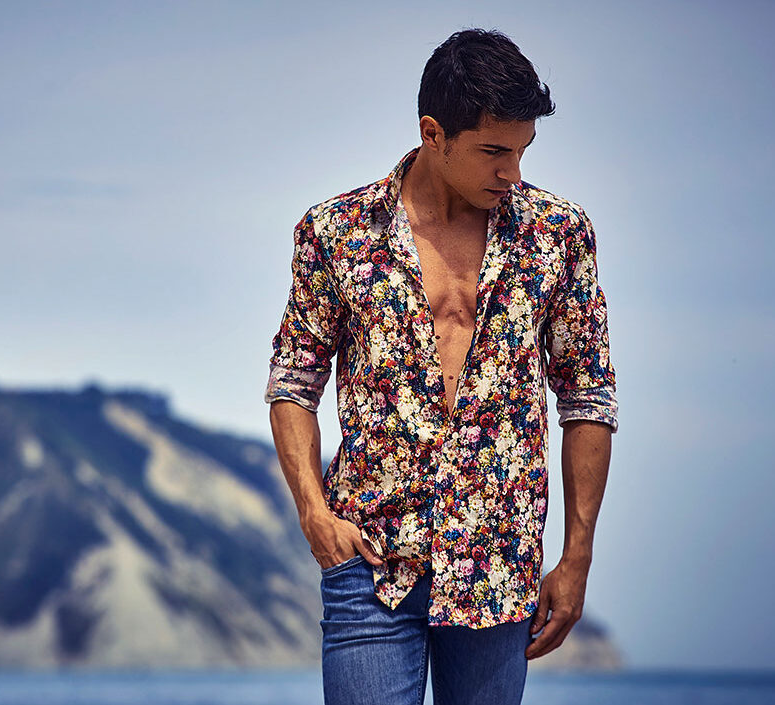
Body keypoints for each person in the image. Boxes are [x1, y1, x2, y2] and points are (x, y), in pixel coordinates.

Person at [263, 28, 618, 705]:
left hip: (498, 564)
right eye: (494, 152)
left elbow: (588, 396)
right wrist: (314, 514)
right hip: (371, 560)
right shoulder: (337, 233)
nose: (512, 173)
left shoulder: (558, 234)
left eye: (522, 151)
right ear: (433, 133)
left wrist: (576, 557)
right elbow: (293, 381)